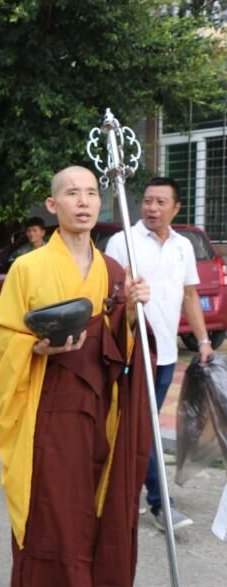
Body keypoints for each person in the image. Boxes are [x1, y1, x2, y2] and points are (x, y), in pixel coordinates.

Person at [0, 166, 154, 587]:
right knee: (52, 505)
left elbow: (122, 347)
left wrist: (131, 314)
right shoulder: (28, 267)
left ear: (101, 203)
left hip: (100, 407)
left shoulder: (113, 270)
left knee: (87, 503)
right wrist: (35, 347)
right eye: (72, 193)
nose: (84, 201)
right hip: (48, 406)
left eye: (92, 193)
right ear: (52, 205)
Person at [105, 176, 208, 532]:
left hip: (165, 354)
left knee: (138, 427)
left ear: (176, 207)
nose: (152, 208)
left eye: (161, 202)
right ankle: (159, 503)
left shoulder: (183, 245)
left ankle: (120, 492)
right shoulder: (124, 242)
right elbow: (109, 296)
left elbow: (191, 296)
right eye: (148, 201)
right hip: (131, 352)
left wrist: (205, 341)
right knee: (141, 425)